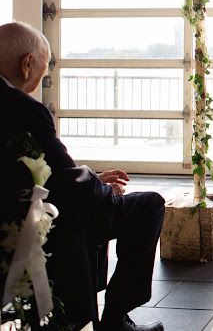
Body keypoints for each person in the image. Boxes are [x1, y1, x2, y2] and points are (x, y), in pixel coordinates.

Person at [0, 22, 165, 331]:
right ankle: (116, 318)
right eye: (44, 67)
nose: (44, 75)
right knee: (149, 205)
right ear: (27, 64)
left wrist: (89, 177)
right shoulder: (24, 108)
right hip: (44, 216)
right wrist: (102, 188)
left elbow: (47, 170)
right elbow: (67, 181)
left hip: (15, 205)